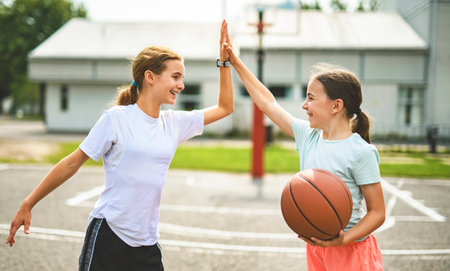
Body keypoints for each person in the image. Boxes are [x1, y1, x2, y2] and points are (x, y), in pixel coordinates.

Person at [6, 20, 234, 270]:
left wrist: (223, 63)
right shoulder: (116, 119)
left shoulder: (175, 123)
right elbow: (72, 163)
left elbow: (225, 107)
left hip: (147, 244)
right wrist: (29, 203)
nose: (181, 85)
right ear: (150, 77)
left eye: (182, 78)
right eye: (175, 77)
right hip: (109, 234)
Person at [223, 24, 385, 270]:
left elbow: (377, 212)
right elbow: (267, 102)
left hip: (351, 250)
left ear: (335, 105)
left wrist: (344, 238)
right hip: (317, 247)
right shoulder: (309, 136)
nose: (303, 105)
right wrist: (234, 61)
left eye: (310, 97)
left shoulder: (360, 152)